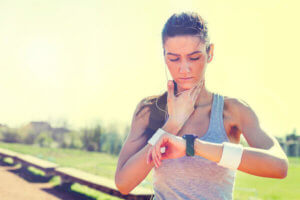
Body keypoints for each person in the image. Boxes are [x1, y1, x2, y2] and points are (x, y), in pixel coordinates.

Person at [115, 11, 288, 200]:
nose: (184, 68)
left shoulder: (232, 111)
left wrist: (192, 146)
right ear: (164, 56)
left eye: (194, 57)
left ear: (210, 52)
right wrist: (171, 125)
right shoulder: (150, 110)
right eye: (174, 58)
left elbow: (279, 166)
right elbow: (124, 183)